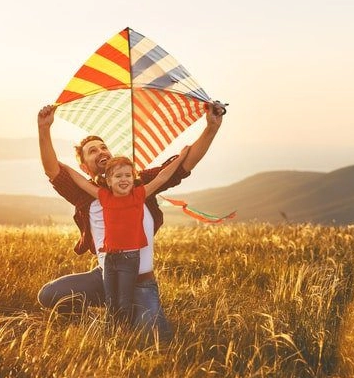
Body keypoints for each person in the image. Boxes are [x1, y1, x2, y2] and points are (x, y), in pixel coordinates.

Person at [36, 102, 224, 336]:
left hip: (140, 282)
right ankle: (88, 322)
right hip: (105, 277)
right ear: (85, 167)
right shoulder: (83, 195)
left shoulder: (138, 185)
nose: (101, 151)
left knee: (151, 341)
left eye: (103, 147)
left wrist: (211, 127)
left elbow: (182, 166)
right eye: (93, 151)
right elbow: (53, 170)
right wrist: (44, 128)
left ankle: (134, 316)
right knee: (48, 294)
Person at [63, 152, 189, 326]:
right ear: (109, 181)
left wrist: (181, 157)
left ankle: (126, 330)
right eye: (118, 176)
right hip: (109, 259)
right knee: (111, 302)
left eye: (128, 175)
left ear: (133, 177)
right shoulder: (104, 197)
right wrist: (64, 166)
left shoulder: (138, 195)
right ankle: (112, 334)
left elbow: (162, 177)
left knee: (123, 302)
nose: (124, 179)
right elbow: (81, 182)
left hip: (129, 260)